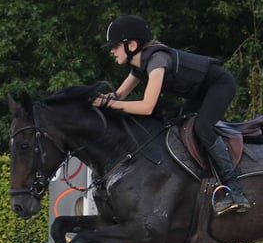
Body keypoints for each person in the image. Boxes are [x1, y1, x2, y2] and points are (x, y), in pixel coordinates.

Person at [94, 14, 250, 215]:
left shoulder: (157, 60)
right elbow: (119, 95)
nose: (112, 51)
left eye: (114, 46)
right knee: (174, 125)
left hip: (219, 85)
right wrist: (92, 100)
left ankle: (235, 190)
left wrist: (110, 104)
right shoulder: (138, 65)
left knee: (203, 127)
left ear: (131, 45)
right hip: (199, 93)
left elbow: (147, 107)